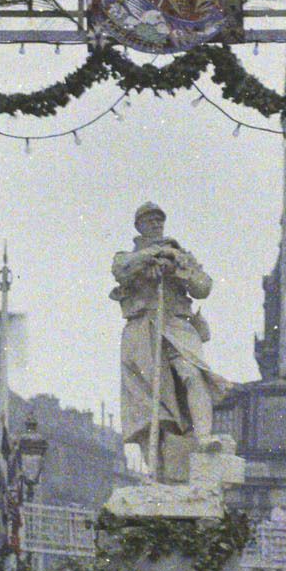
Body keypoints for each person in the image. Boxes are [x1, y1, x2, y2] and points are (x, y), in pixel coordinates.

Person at [110, 203, 230, 477]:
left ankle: (204, 438)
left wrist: (176, 267)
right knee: (146, 405)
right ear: (139, 226)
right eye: (150, 220)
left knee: (192, 372)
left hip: (175, 324)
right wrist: (154, 256)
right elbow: (121, 270)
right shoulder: (126, 256)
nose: (156, 224)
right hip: (142, 329)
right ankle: (158, 474)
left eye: (159, 220)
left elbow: (203, 287)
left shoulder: (180, 255)